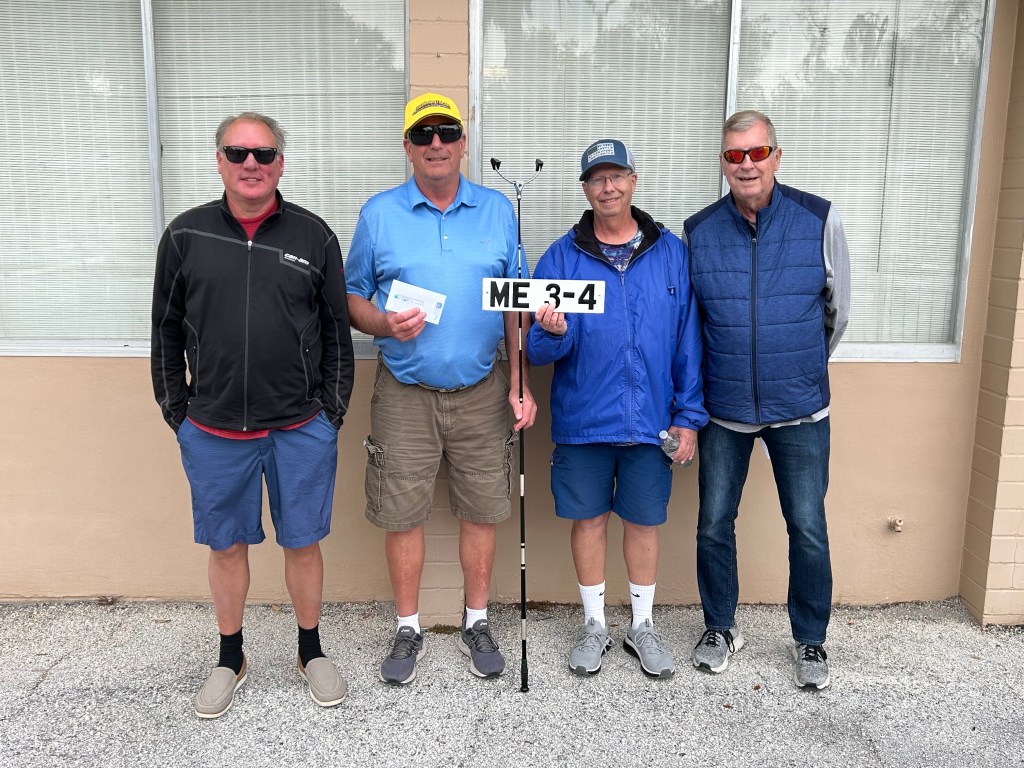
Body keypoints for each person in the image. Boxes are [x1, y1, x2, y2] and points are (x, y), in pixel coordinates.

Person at [151, 112, 354, 717]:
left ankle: (310, 651)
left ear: (280, 164)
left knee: (303, 543)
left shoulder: (314, 237)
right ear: (219, 161)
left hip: (299, 427)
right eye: (237, 152)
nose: (250, 164)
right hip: (213, 431)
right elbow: (164, 331)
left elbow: (337, 333)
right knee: (226, 547)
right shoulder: (185, 236)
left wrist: (331, 413)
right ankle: (230, 657)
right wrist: (178, 413)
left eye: (263, 154)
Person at [345, 92, 536, 685]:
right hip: (404, 391)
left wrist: (521, 382)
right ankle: (408, 627)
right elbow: (351, 296)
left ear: (463, 143)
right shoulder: (380, 213)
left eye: (447, 132)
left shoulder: (498, 210)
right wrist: (382, 323)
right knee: (402, 514)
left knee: (482, 509)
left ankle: (477, 619)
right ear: (407, 146)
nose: (436, 144)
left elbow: (516, 302)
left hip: (483, 388)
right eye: (423, 134)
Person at [527, 139, 707, 678]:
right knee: (588, 521)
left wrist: (687, 416)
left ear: (633, 180)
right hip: (585, 420)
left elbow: (688, 339)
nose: (608, 187)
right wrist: (552, 331)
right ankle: (594, 625)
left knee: (644, 522)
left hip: (651, 421)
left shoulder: (670, 252)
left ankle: (642, 626)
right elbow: (536, 351)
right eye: (597, 179)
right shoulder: (562, 257)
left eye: (616, 176)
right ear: (585, 189)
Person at [682, 110, 850, 690]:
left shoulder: (818, 219)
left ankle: (810, 638)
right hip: (724, 408)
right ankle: (720, 627)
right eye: (735, 155)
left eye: (757, 153)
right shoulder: (699, 230)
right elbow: (692, 323)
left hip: (799, 408)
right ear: (723, 163)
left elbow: (837, 313)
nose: (747, 165)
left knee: (807, 526)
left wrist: (797, 364)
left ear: (776, 155)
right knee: (712, 523)